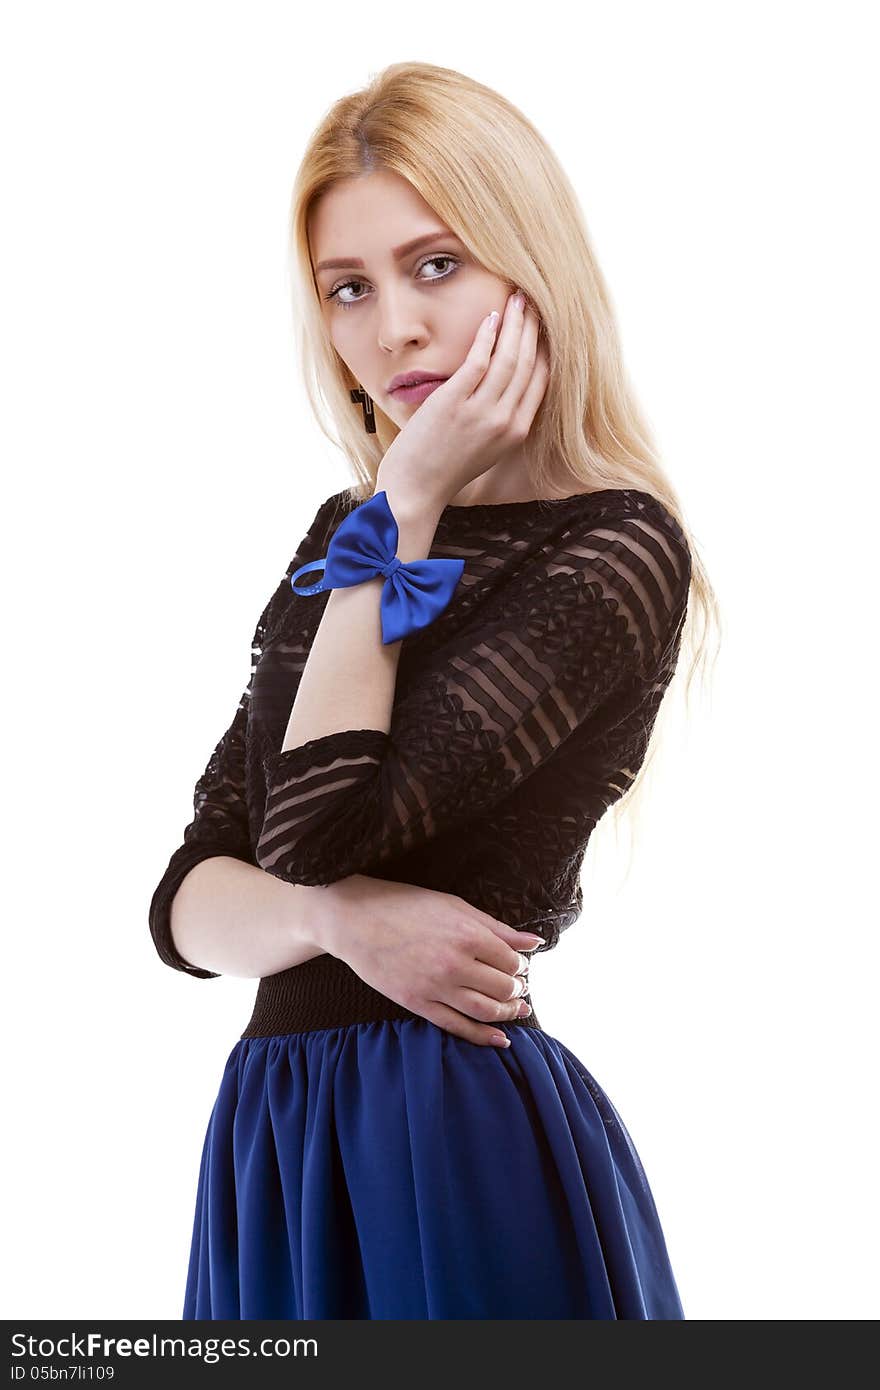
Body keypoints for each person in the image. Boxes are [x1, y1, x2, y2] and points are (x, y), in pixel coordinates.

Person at [149, 61, 719, 1320]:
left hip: (443, 1126)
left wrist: (401, 503)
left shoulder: (614, 549)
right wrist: (339, 926)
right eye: (348, 287)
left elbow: (306, 834)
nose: (392, 326)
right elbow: (187, 898)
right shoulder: (340, 543)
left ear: (531, 272)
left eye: (436, 265)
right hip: (275, 1133)